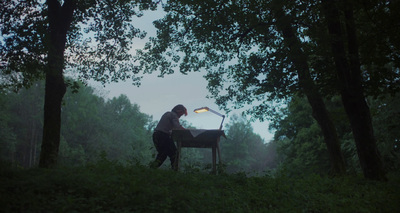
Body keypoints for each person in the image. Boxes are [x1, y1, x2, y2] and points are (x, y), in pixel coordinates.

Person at [150, 104, 187, 170]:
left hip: (157, 135)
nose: (181, 116)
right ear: (178, 111)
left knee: (163, 154)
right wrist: (187, 132)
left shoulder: (167, 114)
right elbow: (177, 127)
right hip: (163, 136)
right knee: (173, 154)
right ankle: (174, 170)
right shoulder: (174, 115)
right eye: (181, 113)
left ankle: (151, 169)